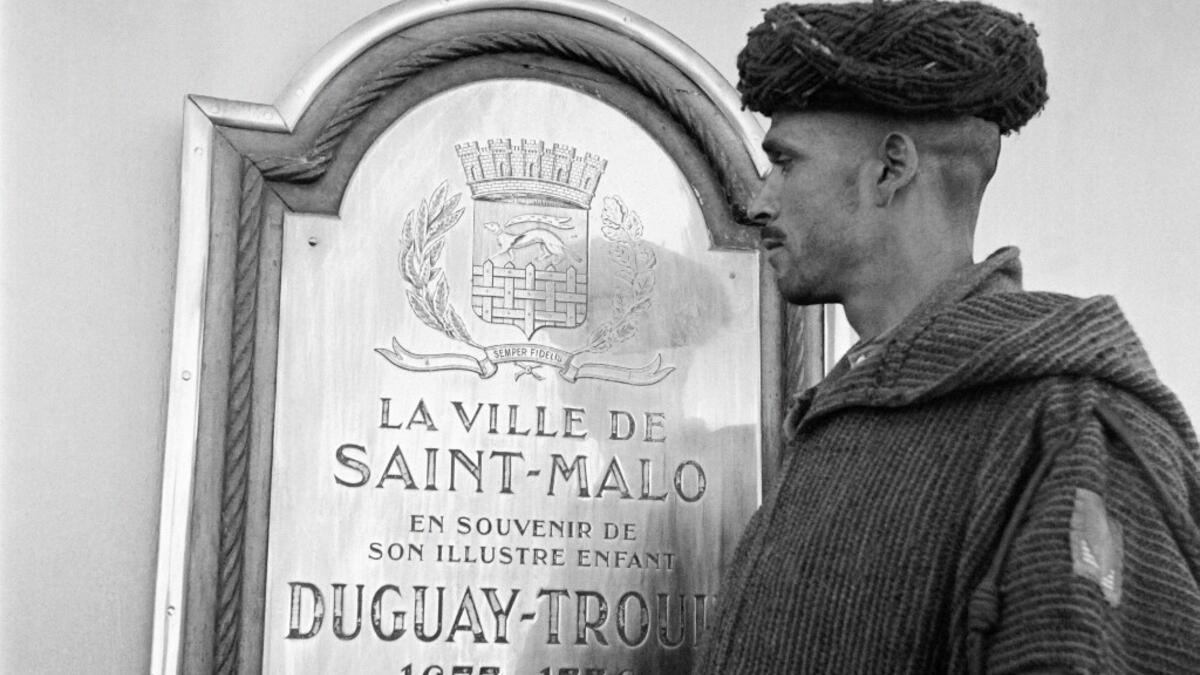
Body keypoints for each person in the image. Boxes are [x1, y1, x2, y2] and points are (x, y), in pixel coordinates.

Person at [695, 1, 1200, 673]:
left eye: (785, 162)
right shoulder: (843, 418)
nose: (759, 202)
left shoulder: (1066, 426)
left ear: (890, 168)